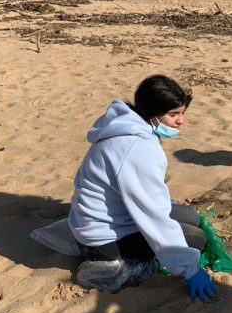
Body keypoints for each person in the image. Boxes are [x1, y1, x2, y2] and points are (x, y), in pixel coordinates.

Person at [68, 74, 216, 301]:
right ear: (152, 113)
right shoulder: (138, 148)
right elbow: (152, 216)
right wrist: (190, 269)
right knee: (196, 240)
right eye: (173, 114)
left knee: (190, 217)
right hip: (103, 239)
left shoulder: (126, 126)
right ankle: (121, 270)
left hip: (101, 221)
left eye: (182, 113)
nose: (180, 121)